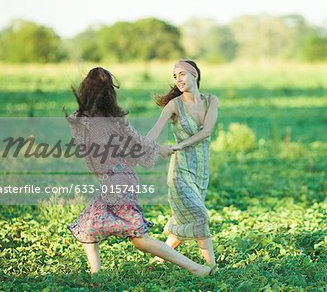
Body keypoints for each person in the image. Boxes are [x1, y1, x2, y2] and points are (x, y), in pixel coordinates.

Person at [66, 67, 215, 276]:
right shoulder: (110, 119)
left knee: (139, 239)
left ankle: (196, 268)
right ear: (109, 92)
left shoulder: (78, 118)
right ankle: (96, 273)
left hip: (117, 180)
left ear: (85, 90)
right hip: (116, 178)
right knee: (89, 225)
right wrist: (160, 149)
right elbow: (136, 143)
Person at [147, 60, 219, 269]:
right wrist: (151, 145)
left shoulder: (211, 100)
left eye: (182, 74)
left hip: (201, 170)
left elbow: (206, 131)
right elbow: (154, 131)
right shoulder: (174, 105)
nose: (178, 80)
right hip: (180, 171)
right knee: (199, 214)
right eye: (174, 76)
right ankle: (210, 267)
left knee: (184, 220)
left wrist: (178, 146)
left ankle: (159, 260)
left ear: (194, 74)